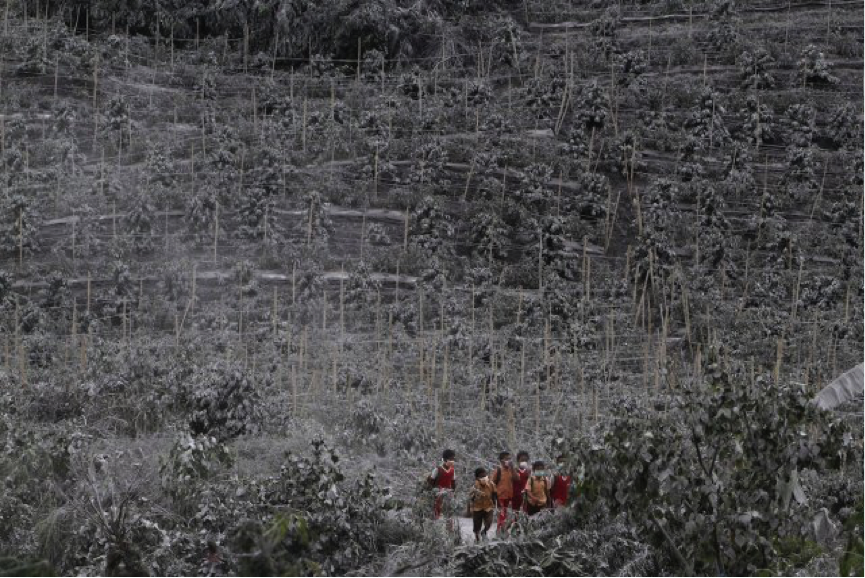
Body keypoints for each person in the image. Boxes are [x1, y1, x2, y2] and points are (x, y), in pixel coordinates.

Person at [492, 451, 520, 533]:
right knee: (502, 515)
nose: (509, 460)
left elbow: (517, 479)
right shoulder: (498, 470)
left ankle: (500, 531)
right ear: (501, 460)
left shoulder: (511, 470)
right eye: (506, 459)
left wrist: (512, 468)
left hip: (508, 496)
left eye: (509, 459)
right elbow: (492, 483)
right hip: (499, 497)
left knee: (505, 514)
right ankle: (501, 532)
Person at [468, 467, 496, 542]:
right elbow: (470, 498)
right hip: (477, 508)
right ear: (477, 478)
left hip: (488, 507)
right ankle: (477, 538)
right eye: (482, 476)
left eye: (485, 476)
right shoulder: (474, 486)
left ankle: (484, 532)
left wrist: (495, 503)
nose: (484, 478)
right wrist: (469, 509)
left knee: (489, 522)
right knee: (477, 524)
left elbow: (494, 493)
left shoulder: (491, 484)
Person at [429, 449, 456, 520]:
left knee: (449, 512)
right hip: (438, 493)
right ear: (444, 459)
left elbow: (453, 483)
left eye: (453, 459)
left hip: (448, 494)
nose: (452, 461)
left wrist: (453, 492)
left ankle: (449, 527)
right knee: (437, 511)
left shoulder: (452, 470)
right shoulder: (437, 469)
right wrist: (435, 492)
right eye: (450, 459)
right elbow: (431, 482)